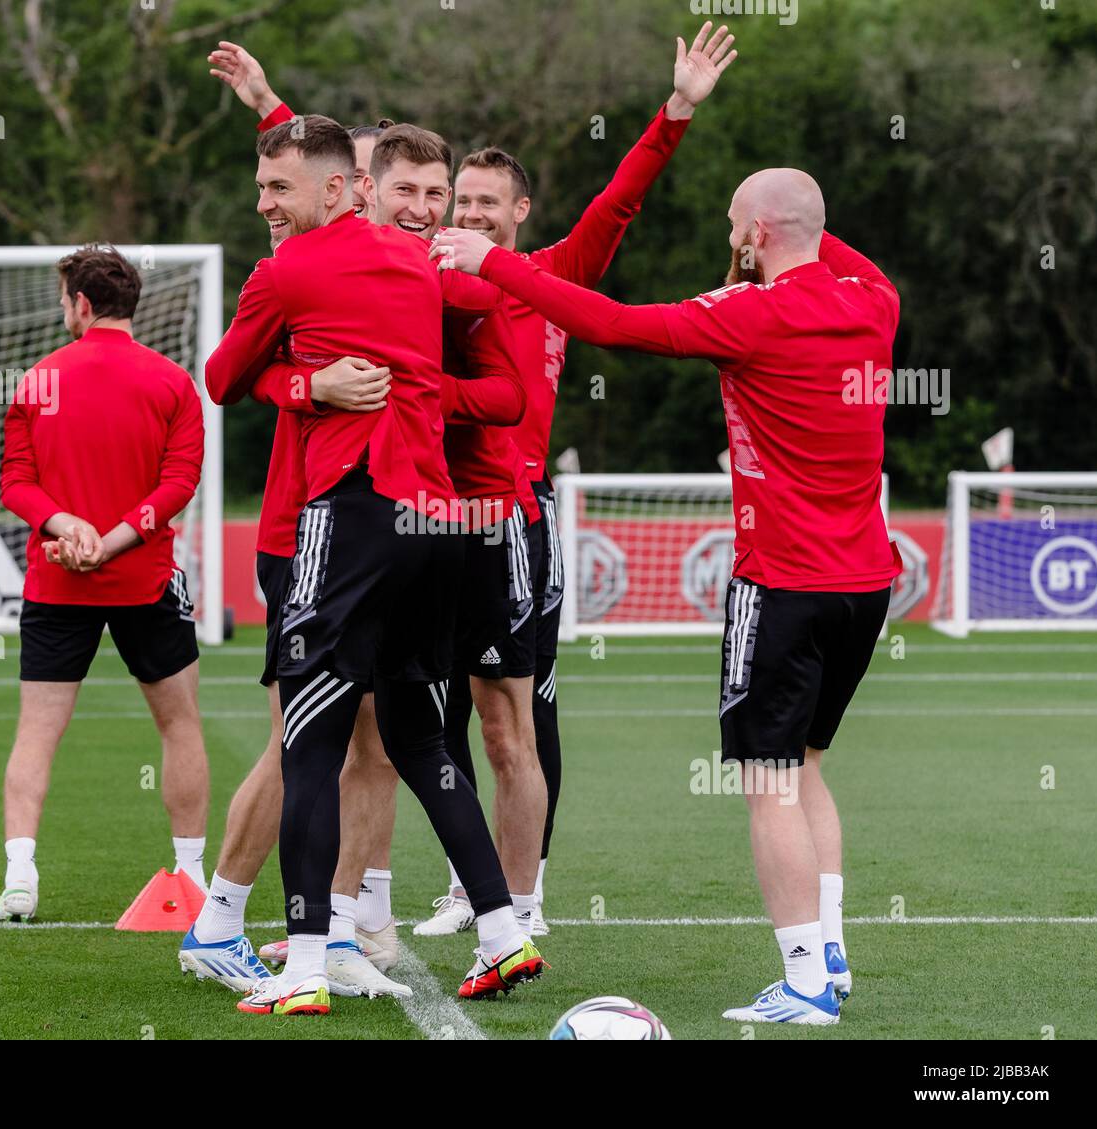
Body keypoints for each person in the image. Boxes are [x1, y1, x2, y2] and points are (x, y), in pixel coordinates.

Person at [434, 162, 902, 1025]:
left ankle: (802, 983)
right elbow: (814, 232)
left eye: (736, 222)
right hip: (868, 583)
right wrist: (786, 224)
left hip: (783, 582)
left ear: (756, 234)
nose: (731, 234)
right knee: (805, 770)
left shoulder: (748, 314)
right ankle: (828, 955)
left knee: (766, 782)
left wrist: (492, 262)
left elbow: (606, 322)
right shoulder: (875, 299)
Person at [205, 114, 544, 1016]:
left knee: (309, 746)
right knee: (420, 738)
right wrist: (342, 381)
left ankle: (308, 963)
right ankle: (506, 932)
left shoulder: (286, 272)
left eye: (277, 188)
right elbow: (506, 371)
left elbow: (221, 377)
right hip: (437, 523)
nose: (266, 203)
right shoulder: (430, 265)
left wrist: (297, 381)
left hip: (349, 514)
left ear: (333, 189)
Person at [417, 17, 737, 939]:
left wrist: (675, 110)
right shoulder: (416, 277)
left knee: (518, 712)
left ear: (519, 212)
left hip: (512, 522)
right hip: (424, 520)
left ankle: (525, 897)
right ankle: (465, 884)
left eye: (485, 203)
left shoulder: (553, 271)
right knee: (429, 709)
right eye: (458, 202)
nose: (466, 215)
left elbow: (620, 200)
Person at [0, 245, 208, 923]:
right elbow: (179, 484)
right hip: (145, 578)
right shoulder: (174, 382)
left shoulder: (38, 379)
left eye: (65, 301)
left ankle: (20, 879)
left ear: (81, 304)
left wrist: (71, 528)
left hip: (57, 581)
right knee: (179, 725)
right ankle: (193, 878)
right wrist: (113, 539)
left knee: (36, 733)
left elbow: (15, 482)